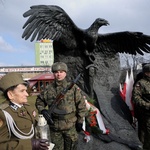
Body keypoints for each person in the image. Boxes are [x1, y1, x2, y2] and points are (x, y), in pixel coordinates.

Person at [35, 62, 88, 150]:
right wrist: (43, 111)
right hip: (54, 127)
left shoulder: (73, 88)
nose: (58, 74)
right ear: (53, 73)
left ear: (65, 73)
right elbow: (39, 101)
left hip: (70, 126)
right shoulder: (48, 89)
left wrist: (80, 121)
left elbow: (81, 105)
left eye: (61, 71)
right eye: (56, 72)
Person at [0, 72, 49, 150]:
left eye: (26, 90)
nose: (27, 94)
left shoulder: (28, 107)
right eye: (22, 91)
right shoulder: (3, 114)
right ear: (10, 95)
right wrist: (30, 145)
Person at [132, 64, 150, 150]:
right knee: (146, 133)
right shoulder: (140, 83)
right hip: (146, 113)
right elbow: (135, 98)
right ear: (147, 73)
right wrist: (147, 105)